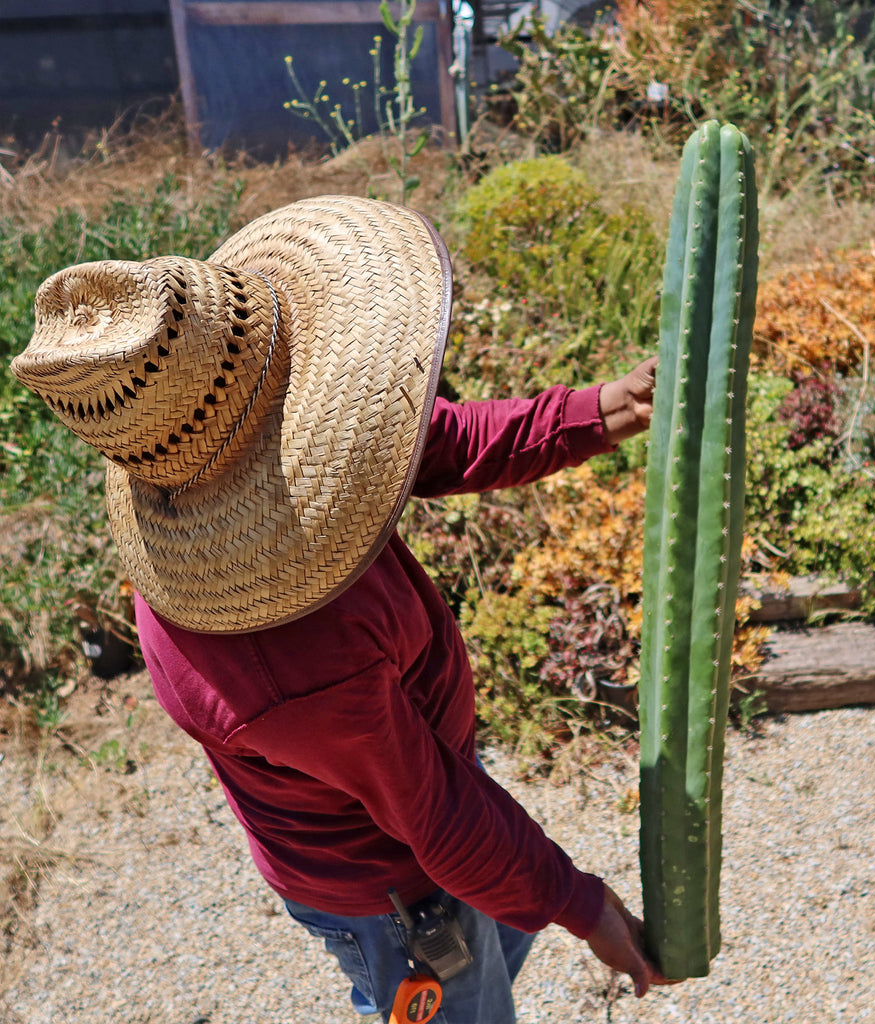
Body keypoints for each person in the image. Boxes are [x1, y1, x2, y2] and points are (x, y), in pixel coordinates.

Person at [11, 195, 668, 1023]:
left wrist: (603, 410)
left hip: (419, 822)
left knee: (498, 935)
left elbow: (424, 440)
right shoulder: (291, 663)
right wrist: (586, 905)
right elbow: (440, 820)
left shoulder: (215, 453)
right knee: (464, 994)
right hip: (396, 892)